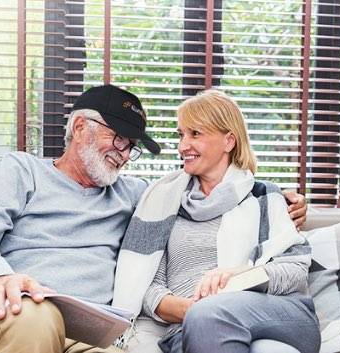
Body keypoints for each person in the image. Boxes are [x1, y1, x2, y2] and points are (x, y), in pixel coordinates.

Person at [0, 85, 308, 353]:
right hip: (19, 313)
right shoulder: (23, 171)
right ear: (79, 128)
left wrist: (282, 198)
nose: (123, 154)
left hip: (91, 334)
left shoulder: (139, 195)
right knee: (38, 316)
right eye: (116, 138)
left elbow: (210, 189)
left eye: (131, 145)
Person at [112, 90, 321, 353]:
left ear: (228, 141)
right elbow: (147, 287)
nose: (182, 146)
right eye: (181, 134)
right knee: (210, 320)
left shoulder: (264, 196)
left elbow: (295, 269)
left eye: (195, 134)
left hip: (276, 315)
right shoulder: (163, 202)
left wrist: (242, 277)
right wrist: (192, 309)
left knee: (211, 315)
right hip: (192, 327)